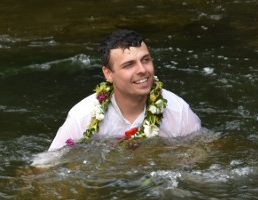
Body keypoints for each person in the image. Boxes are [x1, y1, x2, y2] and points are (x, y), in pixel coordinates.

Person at [48, 29, 201, 150]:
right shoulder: (83, 116)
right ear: (108, 74)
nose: (142, 70)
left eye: (145, 60)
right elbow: (47, 165)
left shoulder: (178, 111)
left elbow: (199, 156)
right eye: (129, 65)